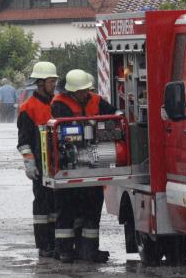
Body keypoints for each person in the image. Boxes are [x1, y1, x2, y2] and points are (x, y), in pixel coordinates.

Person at [51, 69, 117, 263]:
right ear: (70, 91)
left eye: (85, 90)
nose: (83, 94)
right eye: (79, 91)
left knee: (92, 209)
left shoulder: (96, 100)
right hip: (69, 161)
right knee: (67, 209)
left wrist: (119, 115)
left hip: (94, 160)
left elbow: (113, 113)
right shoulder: (59, 104)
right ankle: (64, 250)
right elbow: (65, 126)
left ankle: (89, 251)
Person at [17, 62, 59, 257]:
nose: (54, 84)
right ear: (40, 83)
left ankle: (58, 244)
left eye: (55, 80)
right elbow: (24, 142)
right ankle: (44, 246)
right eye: (51, 81)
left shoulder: (58, 103)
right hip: (41, 166)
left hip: (59, 163)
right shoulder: (28, 108)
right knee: (42, 207)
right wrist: (30, 164)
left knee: (58, 206)